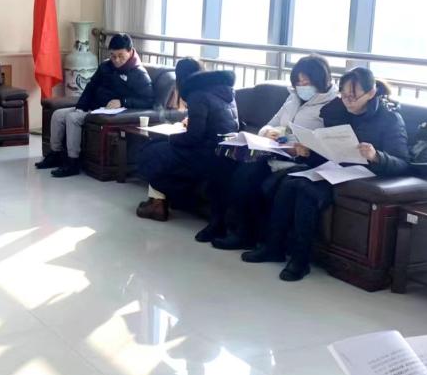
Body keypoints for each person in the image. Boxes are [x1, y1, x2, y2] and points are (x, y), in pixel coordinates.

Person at [242, 67, 409, 281]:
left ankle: (300, 261)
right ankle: (273, 247)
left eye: (353, 96)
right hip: (334, 167)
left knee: (307, 191)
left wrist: (376, 156)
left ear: (371, 93)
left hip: (364, 173)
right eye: (344, 95)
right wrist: (308, 151)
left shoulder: (390, 119)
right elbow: (327, 146)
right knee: (289, 182)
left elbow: (402, 162)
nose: (347, 101)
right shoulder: (335, 110)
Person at [211, 54, 339, 250]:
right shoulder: (293, 98)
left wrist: (297, 146)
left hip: (301, 159)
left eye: (306, 82)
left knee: (259, 179)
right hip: (275, 151)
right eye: (298, 82)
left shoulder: (333, 106)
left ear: (321, 80)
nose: (302, 86)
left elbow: (325, 143)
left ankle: (255, 238)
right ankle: (240, 232)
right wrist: (268, 133)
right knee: (241, 172)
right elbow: (270, 124)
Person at [135, 58, 239, 225]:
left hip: (205, 155)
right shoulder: (226, 91)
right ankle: (158, 202)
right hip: (222, 153)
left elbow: (193, 137)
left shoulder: (197, 95)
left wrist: (171, 137)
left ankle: (158, 204)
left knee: (151, 152)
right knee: (159, 149)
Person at [36, 33, 154, 178]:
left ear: (130, 52)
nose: (116, 60)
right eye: (113, 56)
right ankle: (55, 154)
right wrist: (80, 107)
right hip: (93, 107)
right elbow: (90, 87)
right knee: (58, 115)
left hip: (110, 112)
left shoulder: (139, 74)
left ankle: (73, 162)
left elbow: (148, 100)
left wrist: (123, 101)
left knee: (73, 118)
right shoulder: (105, 66)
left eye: (121, 56)